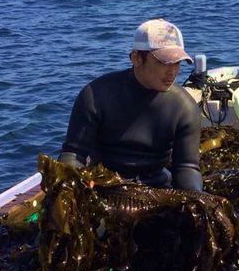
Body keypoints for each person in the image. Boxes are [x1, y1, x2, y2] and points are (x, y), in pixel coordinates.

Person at [58, 18, 203, 192]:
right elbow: (73, 154)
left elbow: (187, 168)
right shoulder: (96, 95)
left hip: (157, 191)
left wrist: (195, 199)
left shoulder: (184, 108)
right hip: (104, 187)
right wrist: (72, 188)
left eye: (177, 62)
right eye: (163, 62)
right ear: (136, 58)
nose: (172, 71)